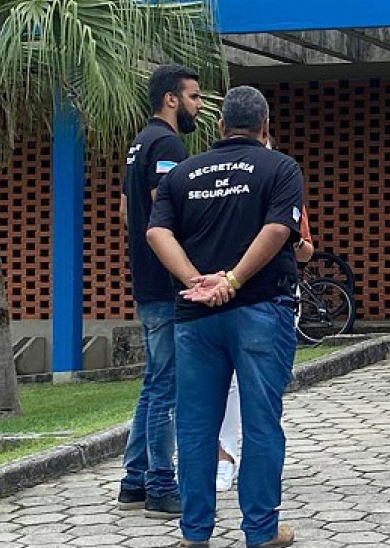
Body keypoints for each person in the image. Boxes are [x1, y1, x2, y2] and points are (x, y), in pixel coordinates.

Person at [147, 85, 303, 548]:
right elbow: (278, 229)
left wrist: (196, 281)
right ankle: (261, 530)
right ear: (265, 125)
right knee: (260, 421)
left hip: (195, 317)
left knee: (196, 425)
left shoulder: (183, 173)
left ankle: (195, 532)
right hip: (261, 307)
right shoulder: (280, 167)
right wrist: (232, 281)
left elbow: (156, 233)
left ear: (220, 126)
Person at [116, 63, 203, 518]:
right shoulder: (168, 144)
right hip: (166, 281)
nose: (199, 106)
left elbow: (125, 210)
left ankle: (133, 481)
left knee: (154, 381)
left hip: (145, 278)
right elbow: (165, 205)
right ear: (171, 98)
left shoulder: (138, 143)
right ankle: (160, 485)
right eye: (194, 97)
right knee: (167, 386)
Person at [216, 143, 315, 494]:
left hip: (275, 296)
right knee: (227, 381)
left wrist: (292, 240)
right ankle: (225, 456)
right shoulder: (219, 187)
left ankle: (261, 469)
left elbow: (306, 250)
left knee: (266, 384)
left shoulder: (284, 187)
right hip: (228, 293)